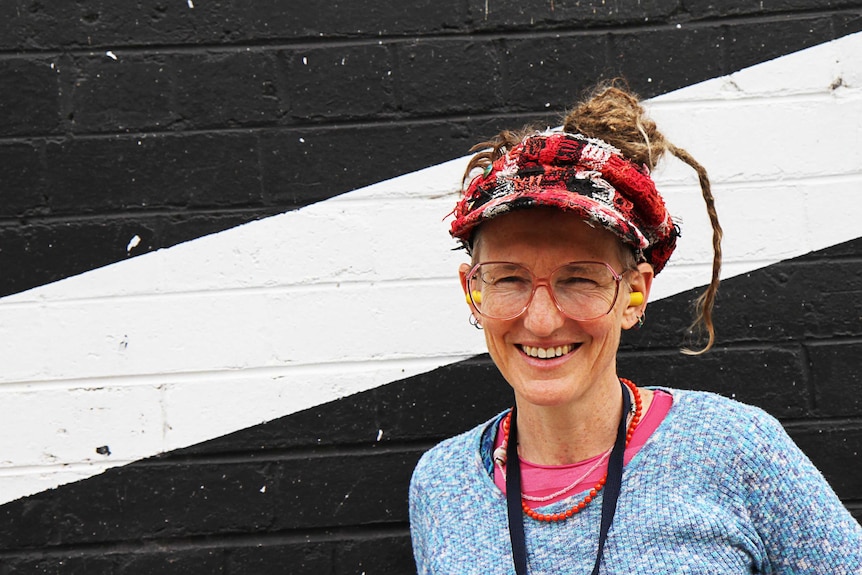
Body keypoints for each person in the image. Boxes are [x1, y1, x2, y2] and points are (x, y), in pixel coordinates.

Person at [408, 82, 862, 574]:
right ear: (473, 291)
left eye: (580, 278)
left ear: (635, 294)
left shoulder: (734, 450)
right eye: (508, 279)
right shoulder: (440, 485)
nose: (541, 320)